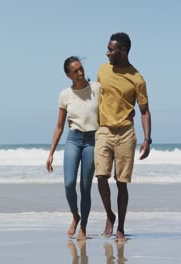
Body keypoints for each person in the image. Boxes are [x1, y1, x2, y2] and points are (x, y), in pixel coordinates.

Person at [95, 32, 152, 242]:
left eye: (111, 49)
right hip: (104, 131)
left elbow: (144, 110)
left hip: (126, 133)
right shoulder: (102, 70)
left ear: (124, 51)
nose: (107, 52)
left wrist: (148, 139)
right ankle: (109, 214)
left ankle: (120, 227)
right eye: (108, 48)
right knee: (101, 177)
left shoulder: (137, 78)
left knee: (121, 182)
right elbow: (94, 97)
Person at [46, 56, 101, 240]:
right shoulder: (65, 95)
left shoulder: (97, 89)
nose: (80, 72)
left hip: (92, 141)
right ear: (68, 75)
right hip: (74, 139)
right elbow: (60, 126)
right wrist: (51, 153)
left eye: (81, 68)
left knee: (85, 187)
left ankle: (83, 226)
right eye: (75, 71)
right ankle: (75, 215)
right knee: (69, 184)